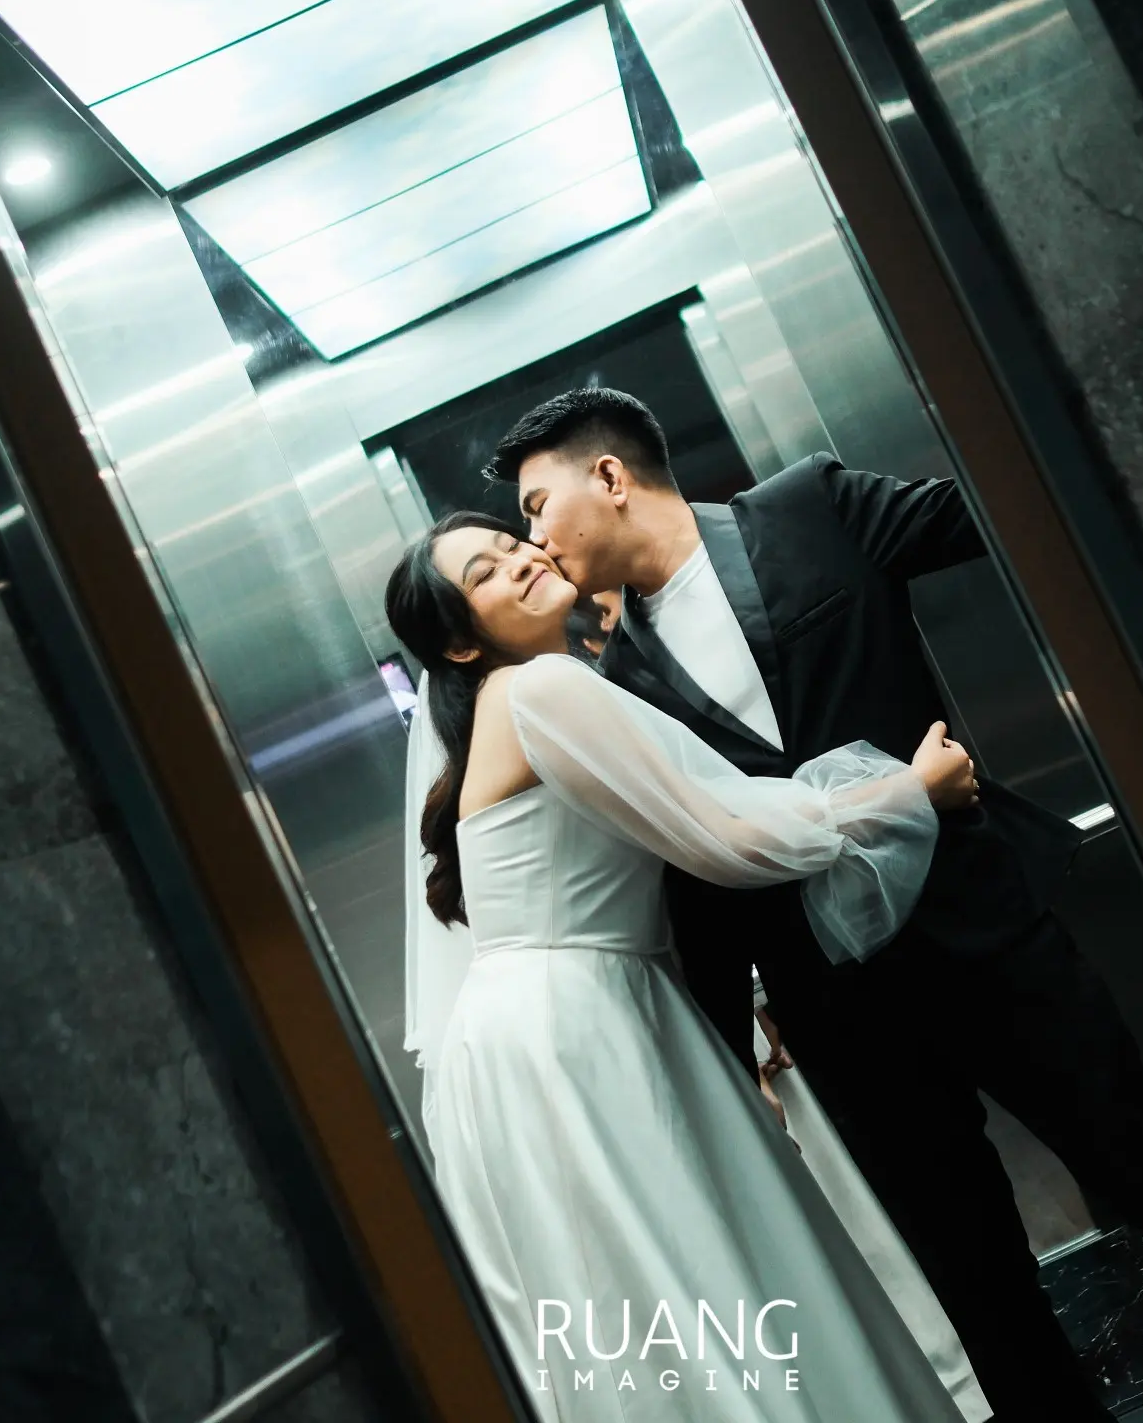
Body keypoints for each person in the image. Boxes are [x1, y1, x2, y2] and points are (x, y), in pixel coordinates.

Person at [490, 387, 1143, 1423]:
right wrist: (734, 1071)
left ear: (610, 477)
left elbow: (1003, 508)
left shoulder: (811, 510)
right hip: (841, 1012)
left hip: (986, 939)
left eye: (536, 505)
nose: (536, 536)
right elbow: (699, 883)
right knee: (980, 1285)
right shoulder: (616, 683)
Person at [386, 510, 976, 1422]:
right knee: (696, 1278)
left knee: (662, 1301)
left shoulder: (532, 694)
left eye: (512, 544)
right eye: (487, 573)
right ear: (461, 644)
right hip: (571, 1028)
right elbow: (723, 839)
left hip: (547, 1026)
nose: (523, 559)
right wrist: (907, 793)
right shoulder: (540, 688)